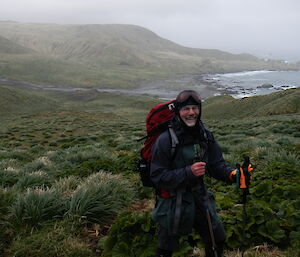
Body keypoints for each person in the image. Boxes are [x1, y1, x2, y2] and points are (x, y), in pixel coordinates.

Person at [150, 90, 236, 257]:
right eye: (186, 109)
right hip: (172, 202)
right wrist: (188, 172)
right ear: (178, 111)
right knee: (166, 248)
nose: (191, 113)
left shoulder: (204, 135)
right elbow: (157, 176)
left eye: (195, 108)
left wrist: (233, 174)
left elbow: (216, 164)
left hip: (199, 197)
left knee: (217, 238)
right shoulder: (165, 140)